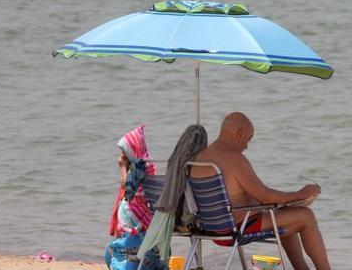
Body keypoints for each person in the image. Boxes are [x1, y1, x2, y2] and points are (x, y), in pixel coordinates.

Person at [192, 112, 331, 270]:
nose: (247, 146)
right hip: (237, 228)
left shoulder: (200, 157)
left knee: (288, 217)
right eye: (248, 139)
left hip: (212, 229)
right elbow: (265, 197)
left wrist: (287, 201)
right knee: (306, 216)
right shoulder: (234, 159)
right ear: (240, 134)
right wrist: (301, 194)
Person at [105, 125, 165, 270]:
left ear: (131, 151)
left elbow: (128, 189)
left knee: (112, 252)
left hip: (137, 225)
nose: (121, 156)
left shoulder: (138, 169)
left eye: (123, 152)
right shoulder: (148, 165)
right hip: (148, 226)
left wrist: (122, 167)